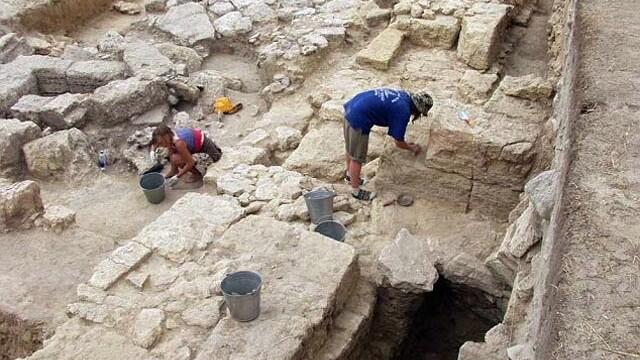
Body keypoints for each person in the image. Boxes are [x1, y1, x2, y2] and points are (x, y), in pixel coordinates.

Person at [343, 88, 433, 201]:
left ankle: (350, 177)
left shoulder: (403, 96)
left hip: (351, 108)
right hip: (358, 119)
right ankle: (355, 191)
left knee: (350, 149)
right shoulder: (403, 111)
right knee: (357, 158)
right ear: (418, 110)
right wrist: (411, 148)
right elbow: (398, 142)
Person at [149, 125, 222, 184]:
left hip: (210, 153)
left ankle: (197, 175)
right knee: (170, 152)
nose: (161, 145)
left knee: (176, 158)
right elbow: (155, 143)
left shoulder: (179, 143)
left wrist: (178, 176)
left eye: (161, 143)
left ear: (166, 137)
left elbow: (191, 162)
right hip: (196, 147)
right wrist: (152, 151)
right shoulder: (171, 135)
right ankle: (174, 170)